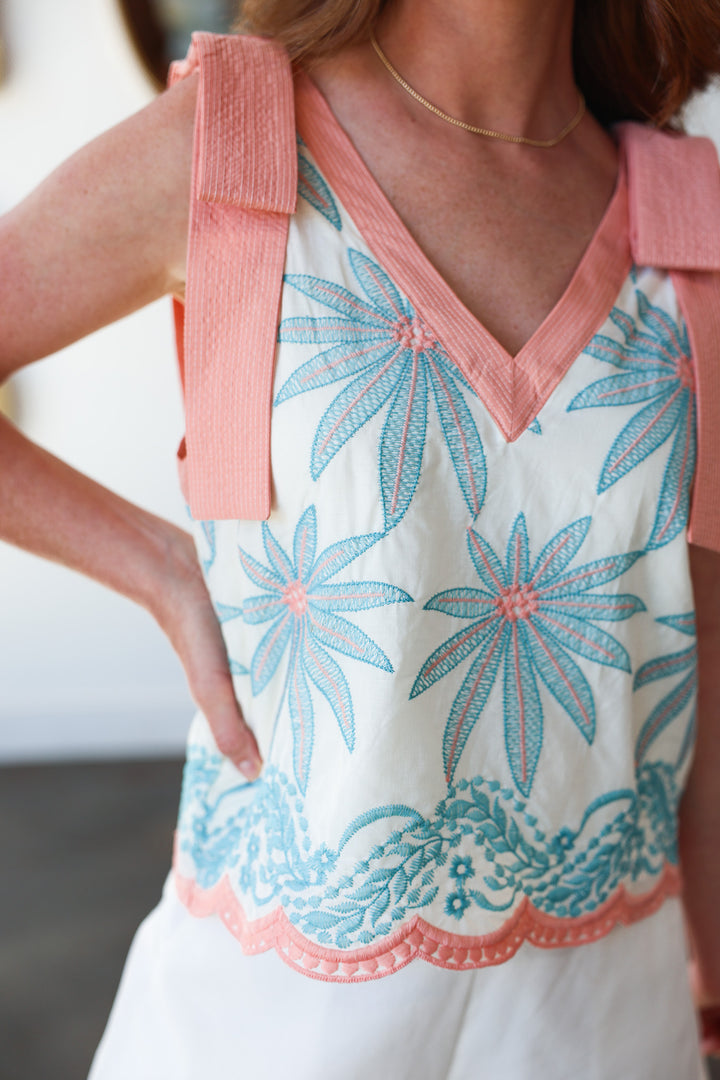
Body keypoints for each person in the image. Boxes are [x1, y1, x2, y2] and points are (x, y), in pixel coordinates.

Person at [2, 0, 720, 1076]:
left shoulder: (689, 213)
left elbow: (700, 672)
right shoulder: (238, 138)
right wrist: (158, 569)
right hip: (272, 1030)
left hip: (608, 1021)